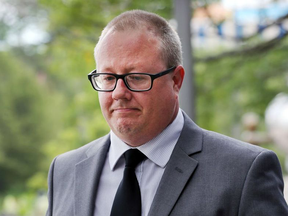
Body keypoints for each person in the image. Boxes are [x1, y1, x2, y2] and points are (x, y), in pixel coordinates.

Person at [46, 10, 288, 216]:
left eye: (136, 77)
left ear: (176, 80)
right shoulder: (64, 171)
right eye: (108, 77)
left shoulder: (243, 172)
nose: (119, 92)